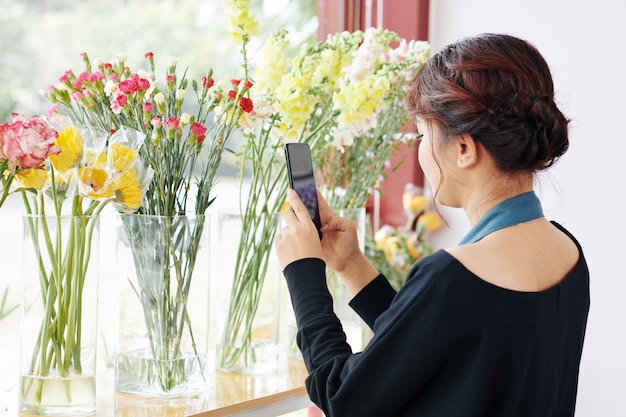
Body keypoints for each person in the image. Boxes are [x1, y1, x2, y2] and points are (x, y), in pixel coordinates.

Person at [274, 33, 589, 417]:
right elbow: (436, 340)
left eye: (423, 135)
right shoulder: (569, 253)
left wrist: (302, 271)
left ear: (463, 149)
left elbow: (343, 396)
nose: (420, 149)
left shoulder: (452, 276)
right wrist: (352, 266)